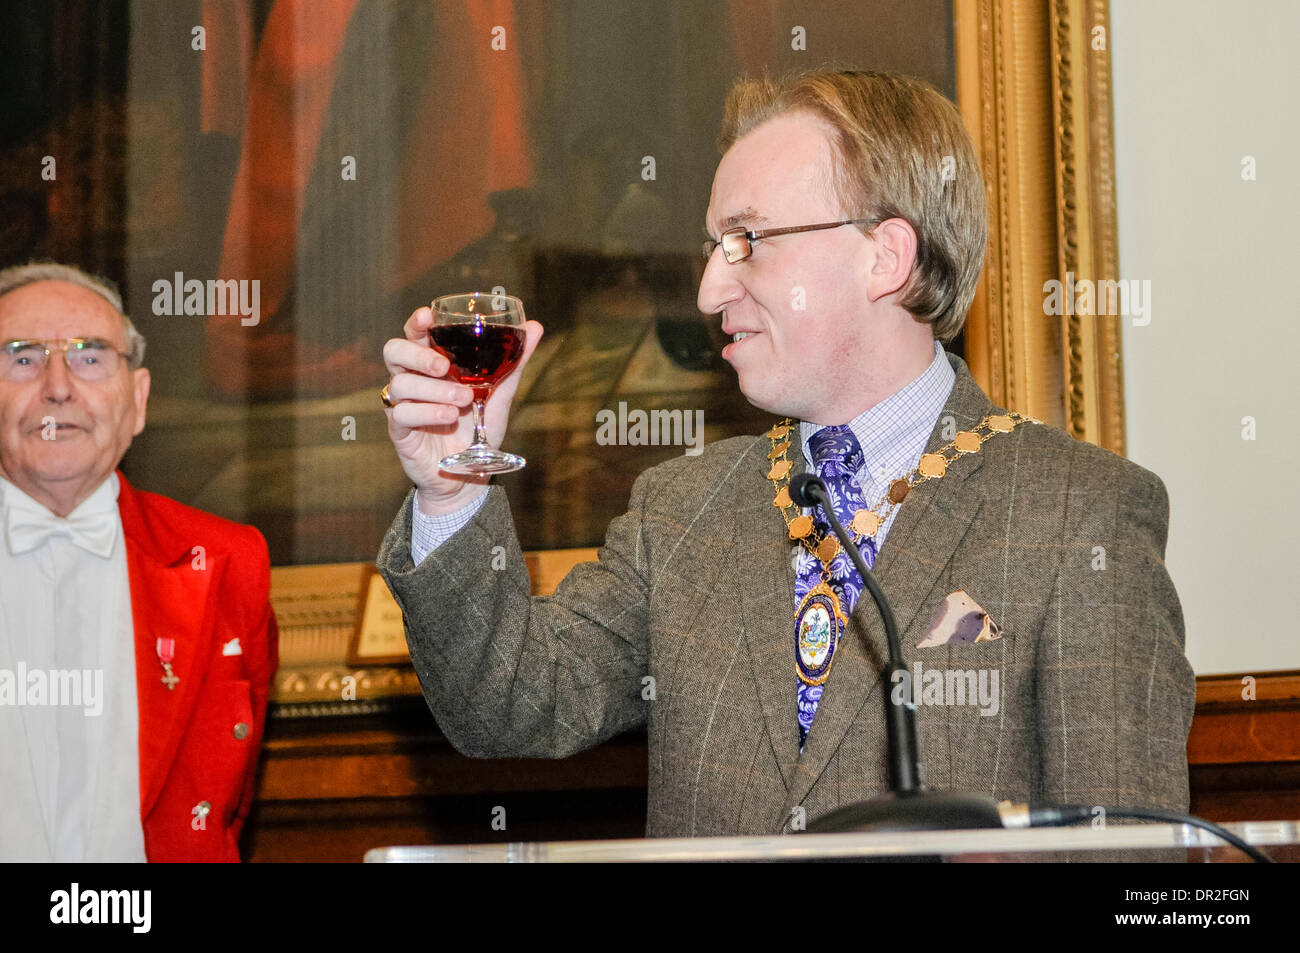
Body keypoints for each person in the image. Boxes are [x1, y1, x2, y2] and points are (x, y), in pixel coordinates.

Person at [376, 70, 1195, 837]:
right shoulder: (681, 510)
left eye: (746, 241)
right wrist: (450, 491)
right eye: (713, 245)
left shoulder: (1080, 512)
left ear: (887, 256)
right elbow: (510, 706)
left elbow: (1130, 864)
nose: (707, 291)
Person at [0, 262, 278, 861]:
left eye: (90, 356)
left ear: (139, 399)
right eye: (21, 357)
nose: (57, 386)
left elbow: (226, 803)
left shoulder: (229, 562)